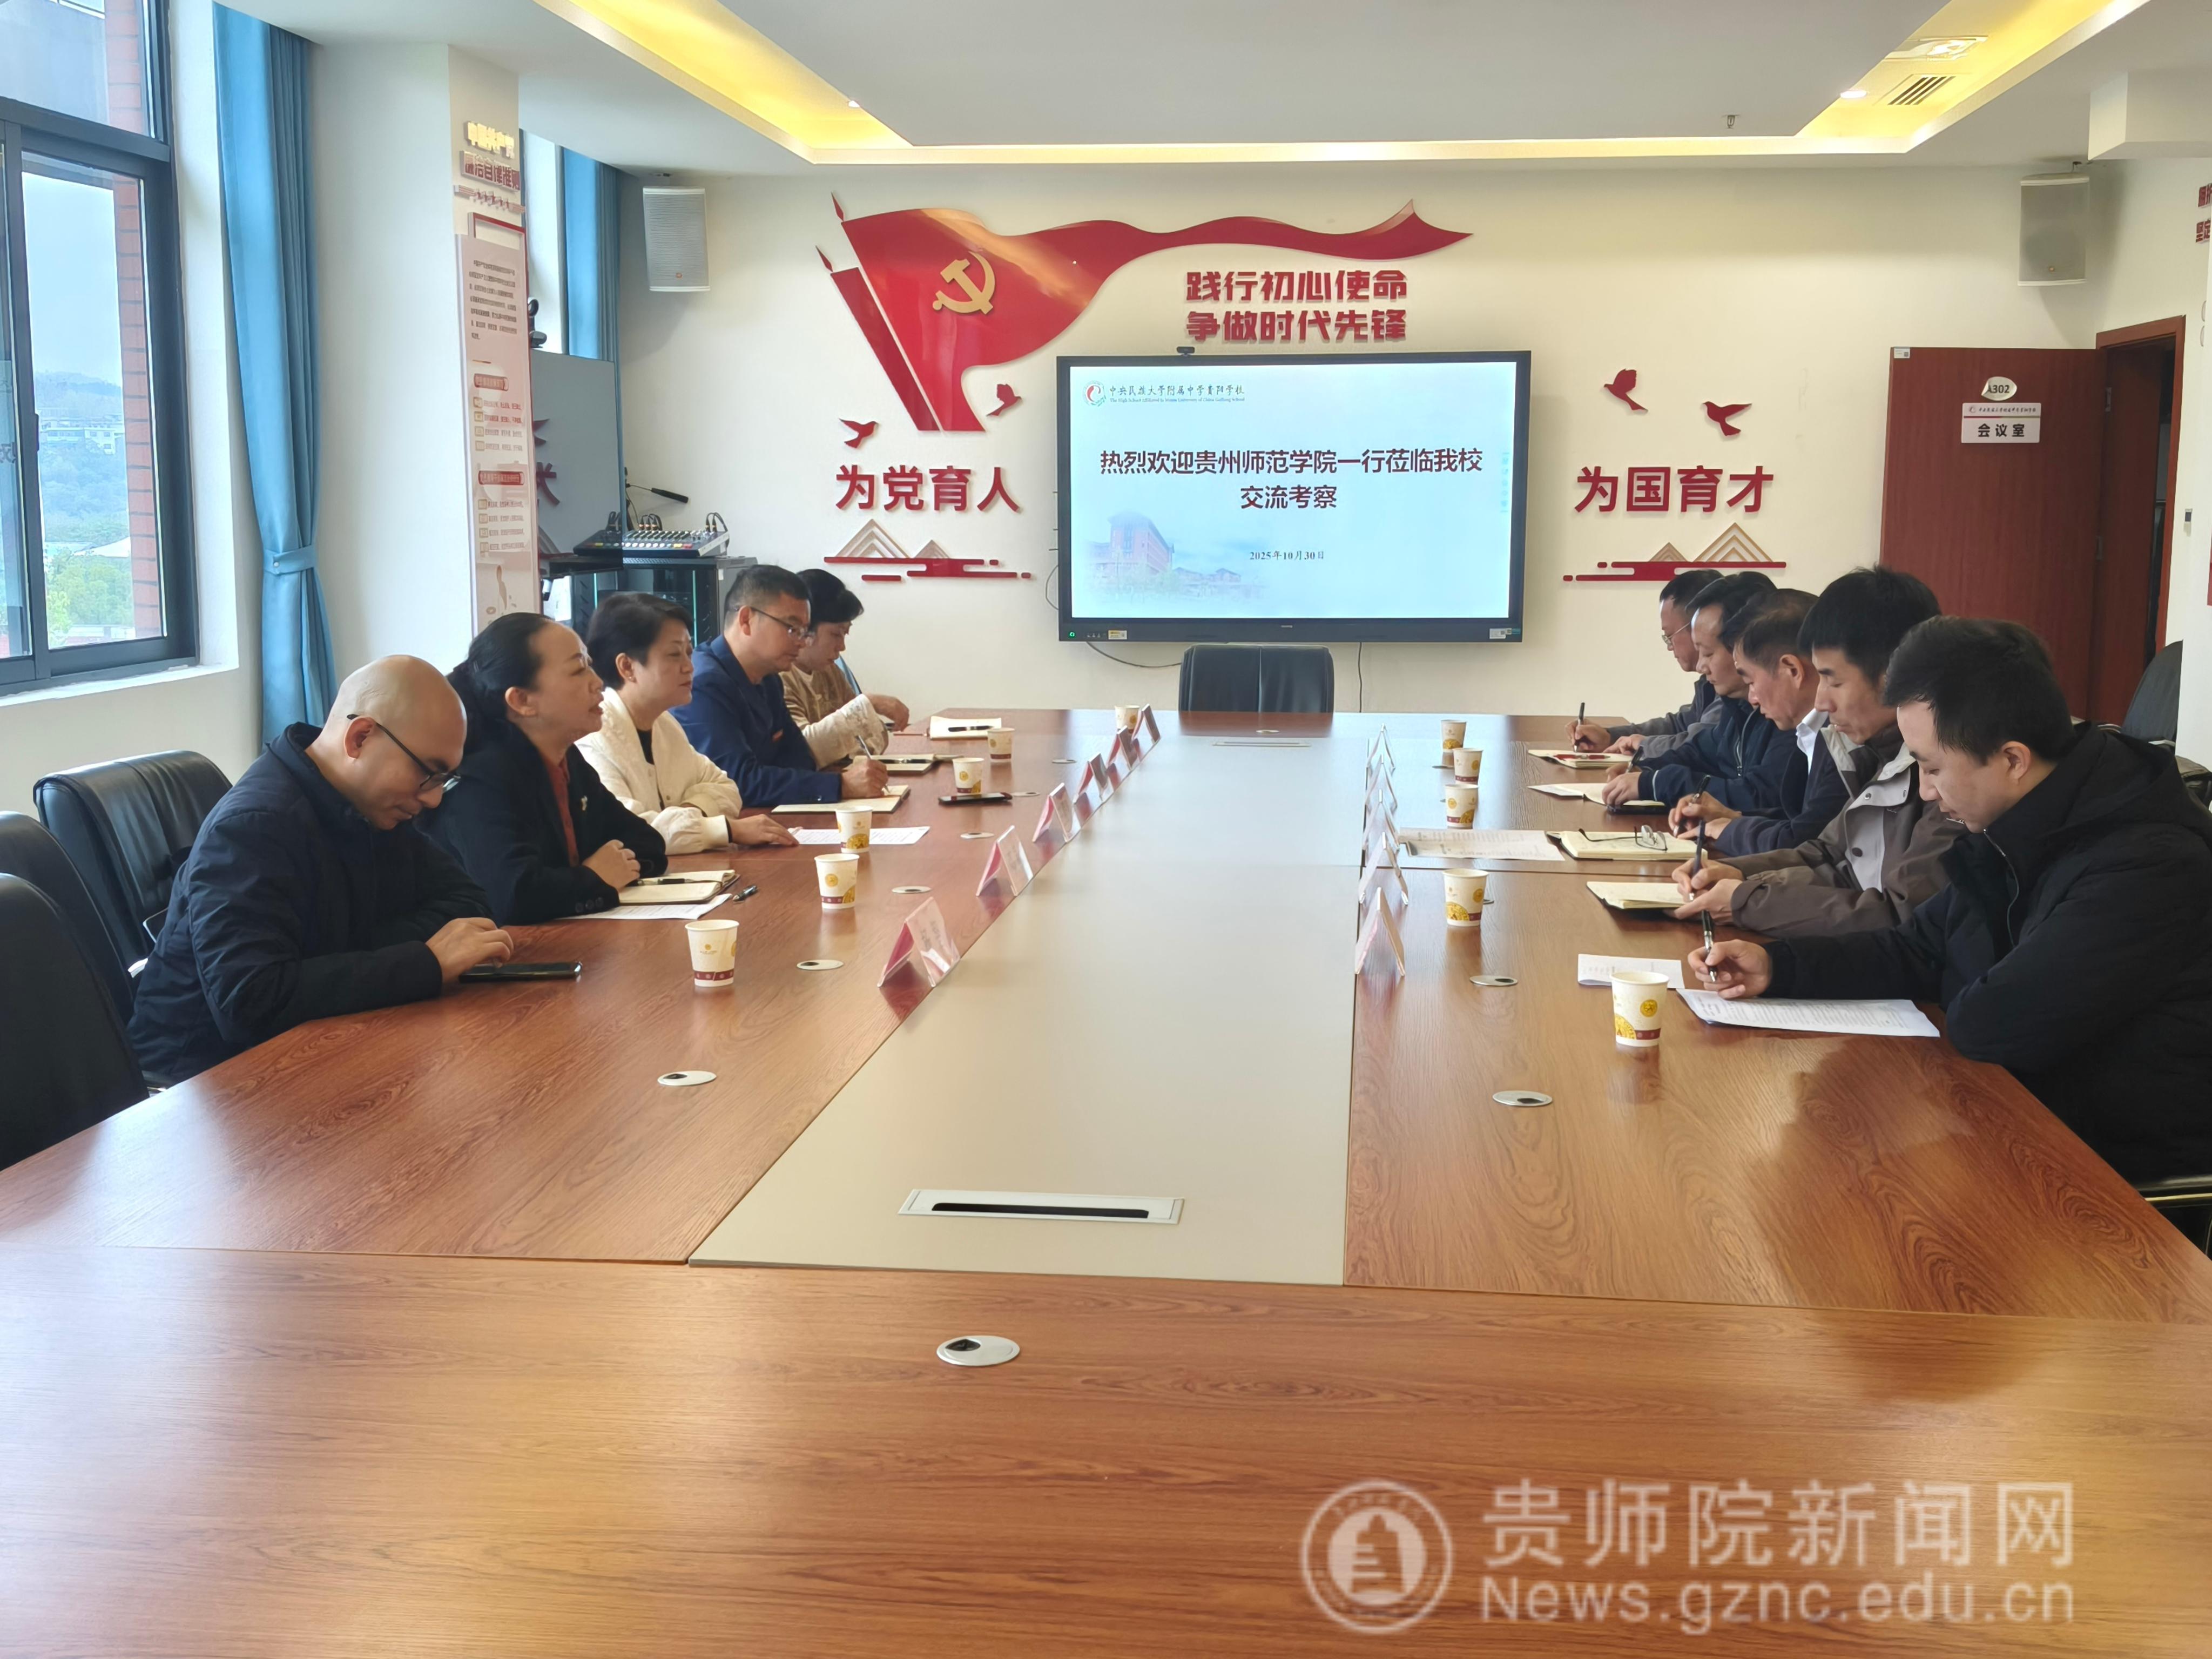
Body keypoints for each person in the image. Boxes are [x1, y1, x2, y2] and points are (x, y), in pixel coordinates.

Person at [1692, 618, 2212, 1185]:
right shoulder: (2019, 818)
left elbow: (1990, 1023)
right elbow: (1917, 946)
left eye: (1933, 767)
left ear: (2012, 760)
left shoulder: (2150, 865)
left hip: (2110, 1184)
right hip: (2009, 1125)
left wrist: (1951, 967)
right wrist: (1777, 967)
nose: (1925, 790)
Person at [128, 657, 512, 1082]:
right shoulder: (252, 828)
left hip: (325, 1048)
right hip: (202, 1085)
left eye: (445, 779)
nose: (434, 799)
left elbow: (470, 905)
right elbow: (250, 1002)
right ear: (360, 737)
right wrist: (423, 962)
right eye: (428, 773)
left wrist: (344, 957)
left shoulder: (373, 803)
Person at [1671, 565, 1955, 935]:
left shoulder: (1947, 774)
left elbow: (1900, 917)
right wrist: (1738, 873)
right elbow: (1827, 855)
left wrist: (1748, 899)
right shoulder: (1873, 752)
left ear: (1894, 677)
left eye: (1832, 681)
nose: (1821, 701)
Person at [428, 612, 669, 923]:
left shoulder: (565, 758)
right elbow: (512, 896)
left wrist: (608, 870)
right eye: (578, 670)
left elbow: (648, 841)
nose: (598, 682)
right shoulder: (481, 777)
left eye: (590, 665)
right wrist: (594, 877)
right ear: (522, 700)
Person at [576, 593, 798, 854]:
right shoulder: (592, 738)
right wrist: (725, 829)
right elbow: (631, 832)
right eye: (674, 655)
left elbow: (727, 788)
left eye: (689, 652)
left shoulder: (665, 724)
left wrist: (686, 815)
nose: (689, 667)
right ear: (627, 667)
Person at [675, 565, 891, 807]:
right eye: (792, 629)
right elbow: (736, 782)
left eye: (804, 631)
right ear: (746, 620)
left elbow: (801, 759)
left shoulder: (769, 678)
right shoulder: (705, 685)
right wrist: (842, 786)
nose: (802, 642)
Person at [1667, 591, 1851, 857]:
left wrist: (1729, 829)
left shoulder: (1845, 742)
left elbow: (1804, 843)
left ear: (1792, 670)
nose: (1752, 698)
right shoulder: (1807, 733)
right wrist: (1732, 817)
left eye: (1751, 682)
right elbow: (1800, 825)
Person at [1601, 571, 1779, 808]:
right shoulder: (1738, 704)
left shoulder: (1786, 719)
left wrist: (1656, 781)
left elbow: (1758, 796)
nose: (1702, 666)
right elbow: (1701, 752)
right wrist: (1647, 769)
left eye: (1708, 653)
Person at [1568, 567, 1730, 757]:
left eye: (1670, 636)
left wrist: (1643, 745)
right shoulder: (1710, 683)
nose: (1670, 647)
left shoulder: (1734, 690)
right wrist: (1611, 737)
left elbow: (1699, 745)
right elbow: (1681, 725)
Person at [783, 569, 912, 766]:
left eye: (845, 634)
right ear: (805, 628)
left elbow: (876, 736)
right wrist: (868, 703)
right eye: (836, 634)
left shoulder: (830, 671)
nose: (842, 646)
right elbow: (804, 751)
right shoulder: (777, 677)